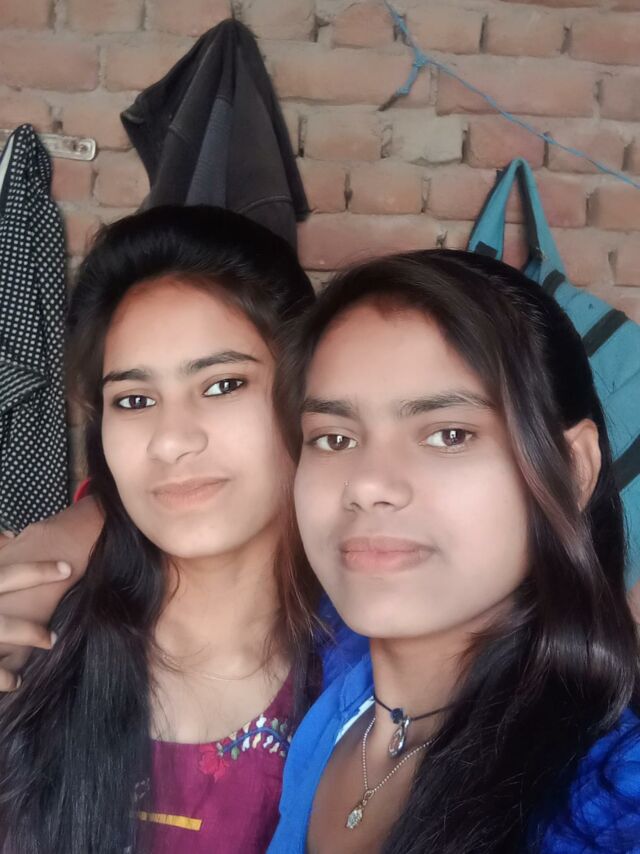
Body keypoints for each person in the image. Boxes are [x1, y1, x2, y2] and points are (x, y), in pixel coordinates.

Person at [268, 250, 640, 853]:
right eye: (333, 438)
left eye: (448, 434)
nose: (366, 484)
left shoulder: (609, 801)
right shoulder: (340, 703)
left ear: (573, 471)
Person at [0, 204, 334, 853]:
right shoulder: (29, 653)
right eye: (134, 400)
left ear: (306, 393)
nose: (172, 440)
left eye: (222, 384)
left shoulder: (374, 682)